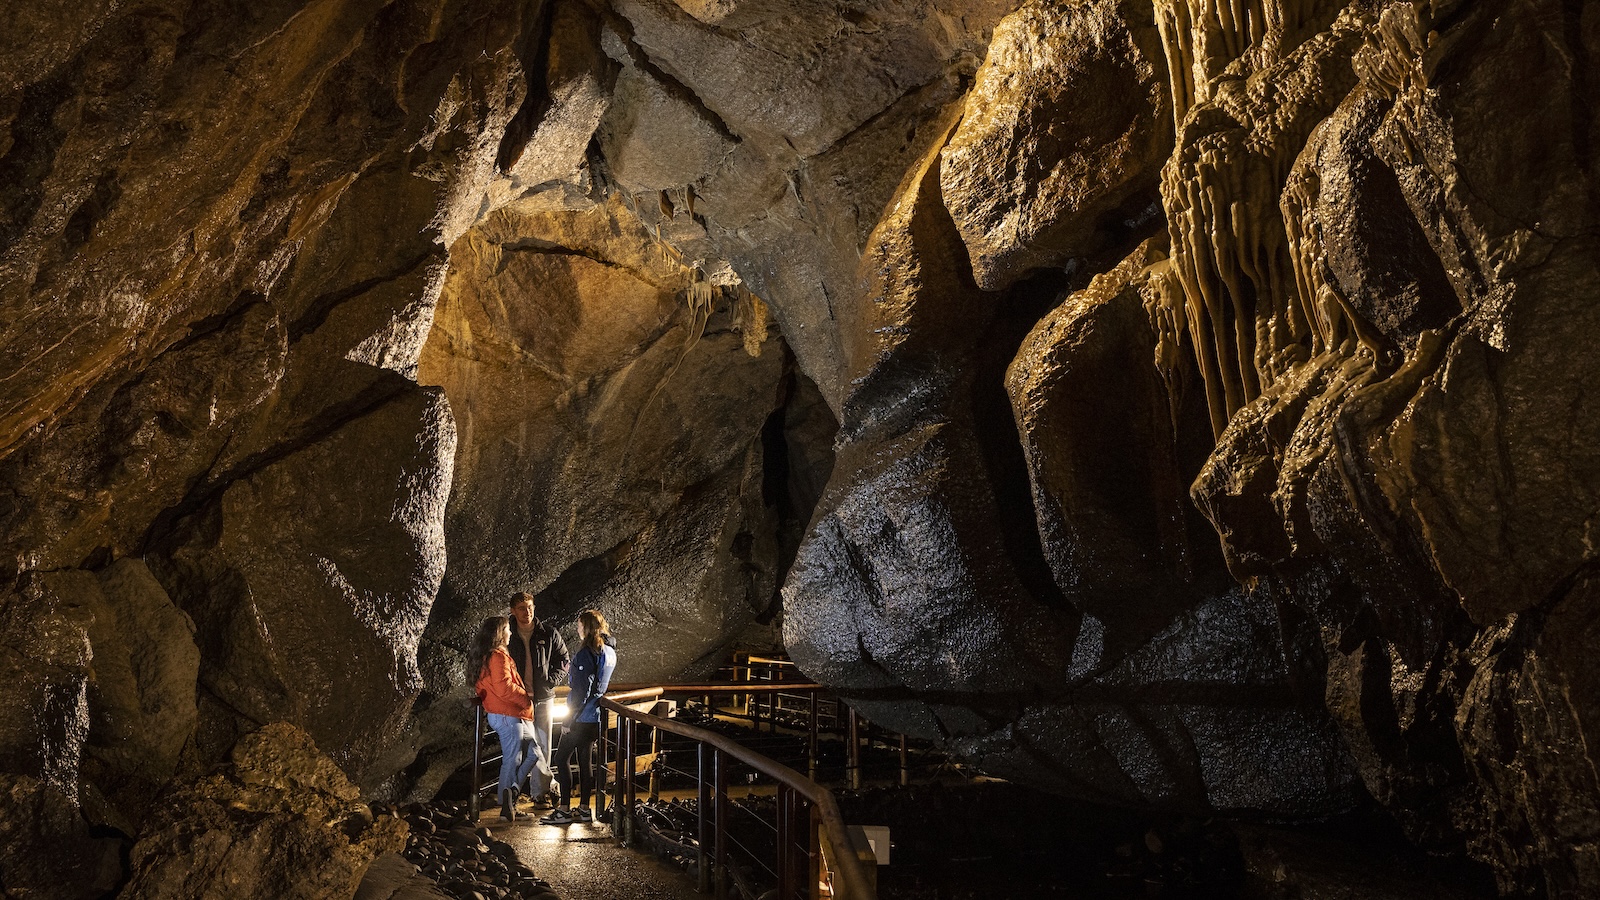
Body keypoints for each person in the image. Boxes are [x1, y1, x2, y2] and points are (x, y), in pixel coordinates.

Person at [541, 609, 617, 825]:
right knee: (585, 762)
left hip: (581, 718)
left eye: (580, 625)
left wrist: (568, 720)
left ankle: (564, 810)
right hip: (596, 717)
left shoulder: (587, 653)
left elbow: (582, 690)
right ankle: (585, 809)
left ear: (587, 627)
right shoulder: (609, 651)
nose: (578, 628)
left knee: (560, 758)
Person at [468, 616, 545, 821]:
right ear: (500, 633)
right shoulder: (497, 657)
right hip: (507, 715)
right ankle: (506, 806)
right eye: (508, 629)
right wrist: (526, 698)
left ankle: (510, 795)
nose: (511, 633)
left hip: (509, 714)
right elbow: (504, 688)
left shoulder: (487, 656)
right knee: (513, 759)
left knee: (535, 753)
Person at [506, 591, 569, 802]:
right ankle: (520, 792)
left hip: (543, 698)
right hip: (518, 699)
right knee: (523, 746)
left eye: (530, 607)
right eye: (522, 608)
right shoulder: (507, 635)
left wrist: (550, 681)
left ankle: (539, 793)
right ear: (513, 611)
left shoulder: (548, 633)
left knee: (542, 743)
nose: (528, 612)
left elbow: (564, 659)